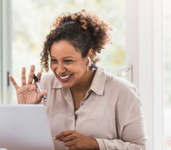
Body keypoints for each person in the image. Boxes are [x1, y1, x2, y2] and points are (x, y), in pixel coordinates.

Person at [9, 9, 148, 150]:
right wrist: (25, 111)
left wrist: (95, 144)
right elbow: (24, 144)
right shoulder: (43, 87)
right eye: (54, 60)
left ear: (89, 56)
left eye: (68, 61)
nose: (59, 69)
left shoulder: (122, 92)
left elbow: (140, 147)